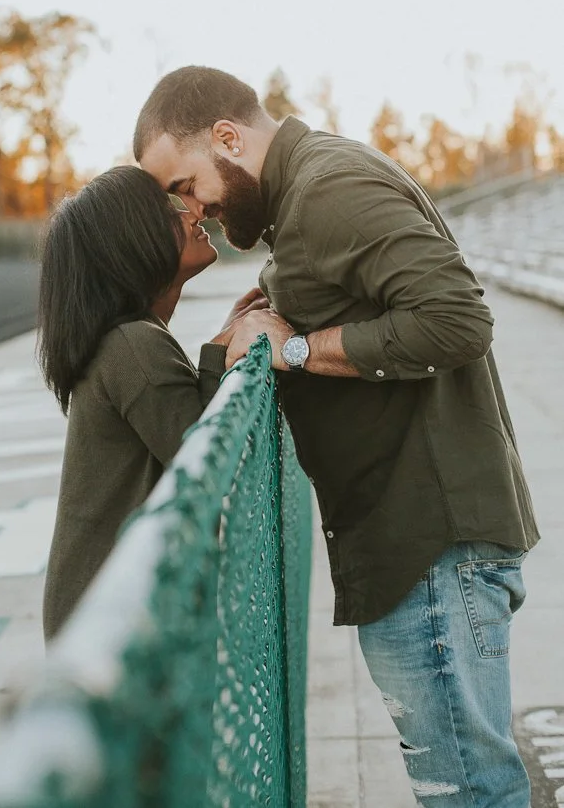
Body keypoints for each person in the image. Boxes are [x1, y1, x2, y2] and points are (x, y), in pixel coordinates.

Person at [134, 66, 539, 808]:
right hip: (417, 546)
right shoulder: (311, 190)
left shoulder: (327, 186)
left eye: (187, 185)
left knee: (472, 794)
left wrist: (293, 348)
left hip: (431, 548)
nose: (194, 210)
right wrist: (277, 305)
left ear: (228, 138)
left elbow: (458, 319)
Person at [37, 165, 265, 642]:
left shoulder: (133, 341)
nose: (189, 213)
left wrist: (223, 343)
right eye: (166, 212)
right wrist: (220, 351)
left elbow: (185, 433)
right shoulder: (132, 346)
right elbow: (208, 462)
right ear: (131, 243)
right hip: (109, 629)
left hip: (114, 613)